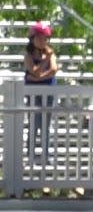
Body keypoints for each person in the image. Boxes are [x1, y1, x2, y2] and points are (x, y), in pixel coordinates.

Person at [23, 21, 58, 160]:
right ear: (32, 40)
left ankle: (46, 156)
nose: (42, 41)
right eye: (39, 38)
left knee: (46, 125)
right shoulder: (29, 56)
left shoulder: (51, 54)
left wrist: (36, 78)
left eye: (45, 38)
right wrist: (45, 62)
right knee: (34, 124)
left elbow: (54, 70)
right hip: (33, 94)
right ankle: (30, 155)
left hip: (48, 93)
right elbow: (35, 70)